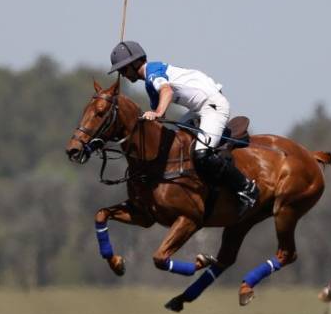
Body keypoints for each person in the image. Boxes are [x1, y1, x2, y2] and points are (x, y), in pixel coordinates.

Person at [108, 40, 259, 216]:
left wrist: (156, 112)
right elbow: (158, 120)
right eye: (120, 71)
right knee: (177, 142)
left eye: (123, 69)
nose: (122, 74)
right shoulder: (150, 85)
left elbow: (167, 92)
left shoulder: (152, 71)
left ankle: (247, 188)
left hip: (212, 106)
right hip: (197, 110)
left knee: (202, 154)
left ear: (135, 63)